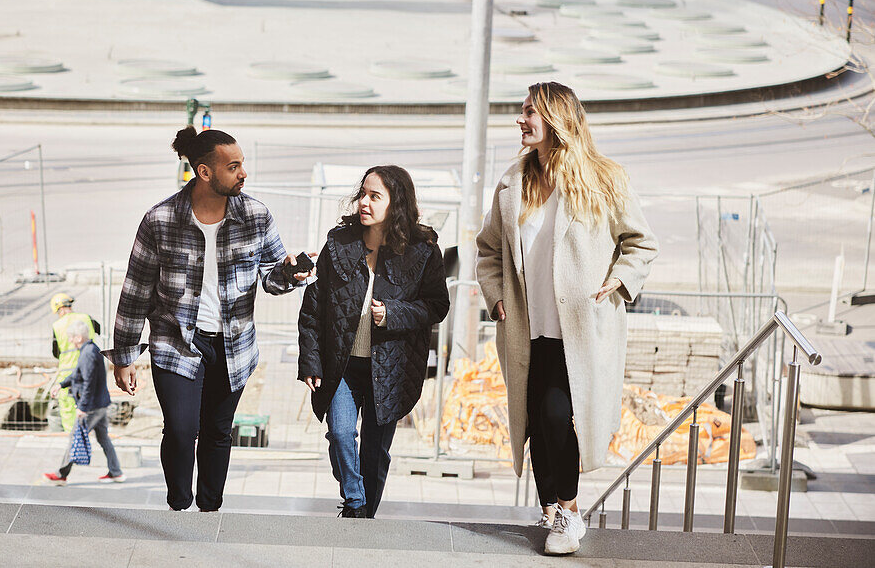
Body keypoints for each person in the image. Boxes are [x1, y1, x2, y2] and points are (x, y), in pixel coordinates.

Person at [475, 82, 658, 556]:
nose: (521, 119)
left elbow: (641, 243)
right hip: (527, 328)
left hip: (579, 330)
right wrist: (496, 298)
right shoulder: (513, 183)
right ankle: (552, 509)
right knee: (536, 421)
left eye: (529, 112)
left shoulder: (603, 179)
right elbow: (488, 250)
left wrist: (619, 282)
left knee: (558, 416)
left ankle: (570, 511)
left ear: (555, 119)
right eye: (521, 111)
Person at [106, 127, 313, 512]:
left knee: (218, 432)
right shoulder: (161, 220)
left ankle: (209, 510)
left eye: (243, 164)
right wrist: (124, 356)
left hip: (234, 343)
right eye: (233, 166)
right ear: (204, 172)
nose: (243, 173)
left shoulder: (256, 216)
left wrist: (290, 274)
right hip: (176, 343)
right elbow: (136, 290)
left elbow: (271, 276)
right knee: (182, 430)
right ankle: (178, 505)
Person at [298, 166, 449, 518]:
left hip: (391, 367)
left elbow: (437, 305)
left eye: (374, 196)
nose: (363, 202)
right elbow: (314, 308)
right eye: (362, 193)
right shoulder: (339, 243)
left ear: (396, 204)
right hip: (343, 364)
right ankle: (355, 501)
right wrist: (310, 361)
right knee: (339, 434)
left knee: (375, 452)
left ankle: (364, 516)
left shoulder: (423, 251)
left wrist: (393, 313)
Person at [44, 319, 123, 484]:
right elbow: (77, 374)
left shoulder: (87, 354)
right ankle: (116, 472)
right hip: (100, 403)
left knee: (74, 437)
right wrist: (61, 384)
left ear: (78, 337)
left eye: (71, 338)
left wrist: (82, 407)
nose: (70, 341)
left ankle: (61, 474)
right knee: (103, 438)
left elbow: (88, 383)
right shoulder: (91, 349)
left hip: (92, 407)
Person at [49, 293, 100, 433]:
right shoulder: (86, 317)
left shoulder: (57, 325)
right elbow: (99, 330)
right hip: (90, 367)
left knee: (67, 407)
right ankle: (89, 432)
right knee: (89, 401)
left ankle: (71, 437)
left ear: (59, 309)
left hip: (67, 371)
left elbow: (55, 353)